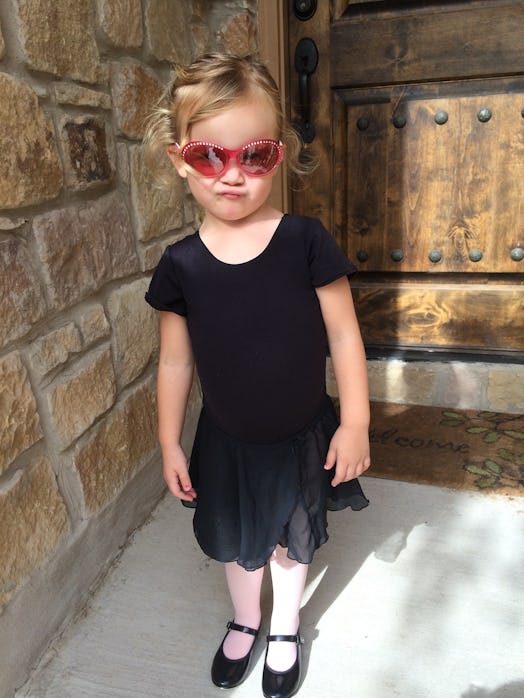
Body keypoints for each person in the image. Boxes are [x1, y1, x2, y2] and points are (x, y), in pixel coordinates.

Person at [144, 53, 371, 698]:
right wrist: (167, 442)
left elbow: (344, 332)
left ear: (280, 155)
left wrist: (355, 420)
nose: (233, 175)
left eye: (256, 155)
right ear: (179, 159)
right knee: (240, 542)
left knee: (287, 541)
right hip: (228, 437)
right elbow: (175, 360)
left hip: (298, 431)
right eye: (211, 156)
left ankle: (285, 628)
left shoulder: (304, 240)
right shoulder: (181, 265)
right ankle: (247, 619)